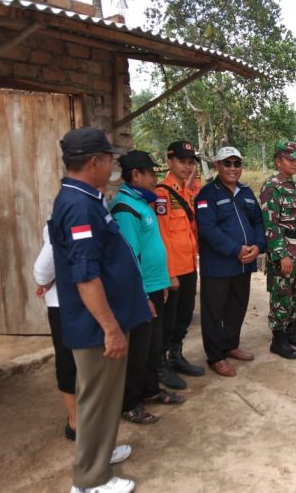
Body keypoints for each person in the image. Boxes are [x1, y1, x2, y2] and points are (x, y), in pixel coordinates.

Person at [49, 127, 151, 493]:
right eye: (109, 159)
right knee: (95, 398)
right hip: (95, 326)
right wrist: (110, 328)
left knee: (106, 395)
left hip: (104, 320)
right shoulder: (78, 206)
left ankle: (100, 452)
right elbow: (85, 276)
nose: (112, 165)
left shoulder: (87, 198)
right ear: (95, 161)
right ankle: (90, 481)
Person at [111, 150, 185, 426]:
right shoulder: (124, 209)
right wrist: (142, 295)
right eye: (151, 173)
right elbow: (130, 255)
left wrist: (162, 282)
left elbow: (151, 248)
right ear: (135, 175)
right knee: (139, 349)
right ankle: (130, 403)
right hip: (140, 291)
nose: (155, 178)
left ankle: (151, 389)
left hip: (155, 286)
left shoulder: (142, 204)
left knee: (154, 345)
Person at [195, 146, 266, 376]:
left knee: (237, 307)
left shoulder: (246, 192)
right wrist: (234, 249)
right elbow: (208, 229)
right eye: (228, 163)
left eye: (237, 164)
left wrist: (258, 246)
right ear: (217, 165)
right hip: (218, 266)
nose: (233, 168)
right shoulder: (207, 194)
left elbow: (258, 221)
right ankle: (215, 356)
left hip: (244, 263)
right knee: (214, 312)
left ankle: (230, 345)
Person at [155, 140, 205, 389]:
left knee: (184, 316)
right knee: (168, 320)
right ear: (169, 162)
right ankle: (161, 366)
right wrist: (168, 274)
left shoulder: (187, 192)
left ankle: (176, 356)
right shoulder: (162, 194)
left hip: (188, 267)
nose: (187, 167)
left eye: (189, 162)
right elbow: (162, 237)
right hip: (173, 270)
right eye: (182, 162)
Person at [260, 140, 296, 359]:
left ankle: (292, 331)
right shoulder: (272, 186)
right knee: (282, 295)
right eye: (290, 159)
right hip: (285, 249)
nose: (294, 163)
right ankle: (278, 339)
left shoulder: (292, 185)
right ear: (278, 161)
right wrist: (281, 255)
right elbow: (270, 225)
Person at [33, 225, 77, 441]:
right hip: (64, 304)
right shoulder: (62, 220)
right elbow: (43, 269)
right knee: (69, 361)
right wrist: (45, 280)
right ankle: (75, 422)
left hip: (78, 303)